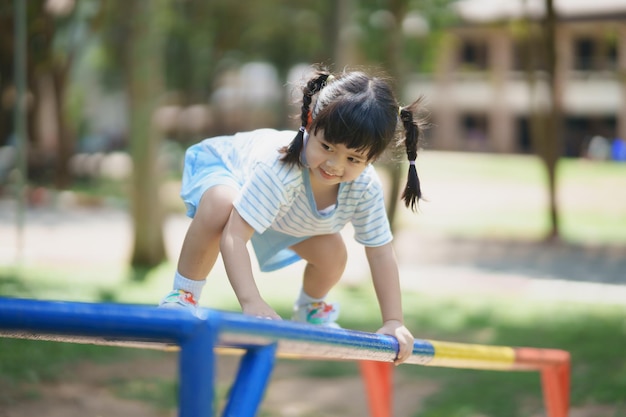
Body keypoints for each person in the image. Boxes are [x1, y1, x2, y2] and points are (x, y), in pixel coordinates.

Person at [159, 67, 425, 364]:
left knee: (333, 251)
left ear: (371, 159)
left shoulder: (365, 186)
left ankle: (309, 310)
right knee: (222, 203)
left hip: (281, 211)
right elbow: (234, 236)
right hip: (233, 174)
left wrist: (394, 320)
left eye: (353, 158)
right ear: (310, 123)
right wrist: (252, 302)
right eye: (327, 147)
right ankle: (184, 296)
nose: (335, 165)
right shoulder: (280, 169)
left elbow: (380, 253)